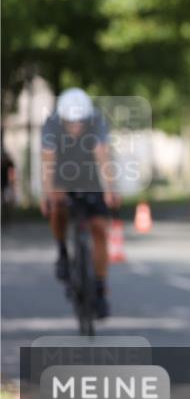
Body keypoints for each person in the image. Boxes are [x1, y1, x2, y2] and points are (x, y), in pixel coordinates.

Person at [40, 88, 120, 319]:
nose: (76, 127)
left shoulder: (96, 122)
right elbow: (48, 161)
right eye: (71, 123)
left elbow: (103, 155)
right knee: (58, 205)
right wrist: (48, 194)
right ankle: (62, 251)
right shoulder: (52, 125)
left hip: (90, 174)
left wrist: (110, 189)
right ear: (62, 119)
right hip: (62, 173)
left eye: (80, 123)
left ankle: (100, 288)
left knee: (99, 229)